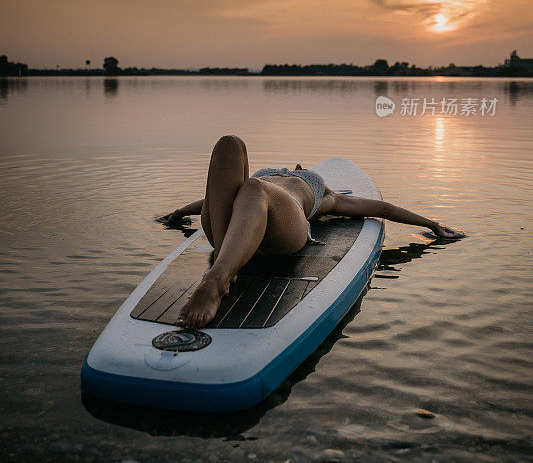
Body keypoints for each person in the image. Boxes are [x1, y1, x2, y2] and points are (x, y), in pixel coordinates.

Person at [158, 135, 465, 329]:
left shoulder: (326, 193)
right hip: (233, 226)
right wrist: (180, 212)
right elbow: (223, 198)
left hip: (283, 227)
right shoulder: (270, 176)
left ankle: (215, 281)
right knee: (229, 144)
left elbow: (379, 209)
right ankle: (227, 267)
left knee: (253, 187)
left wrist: (430, 223)